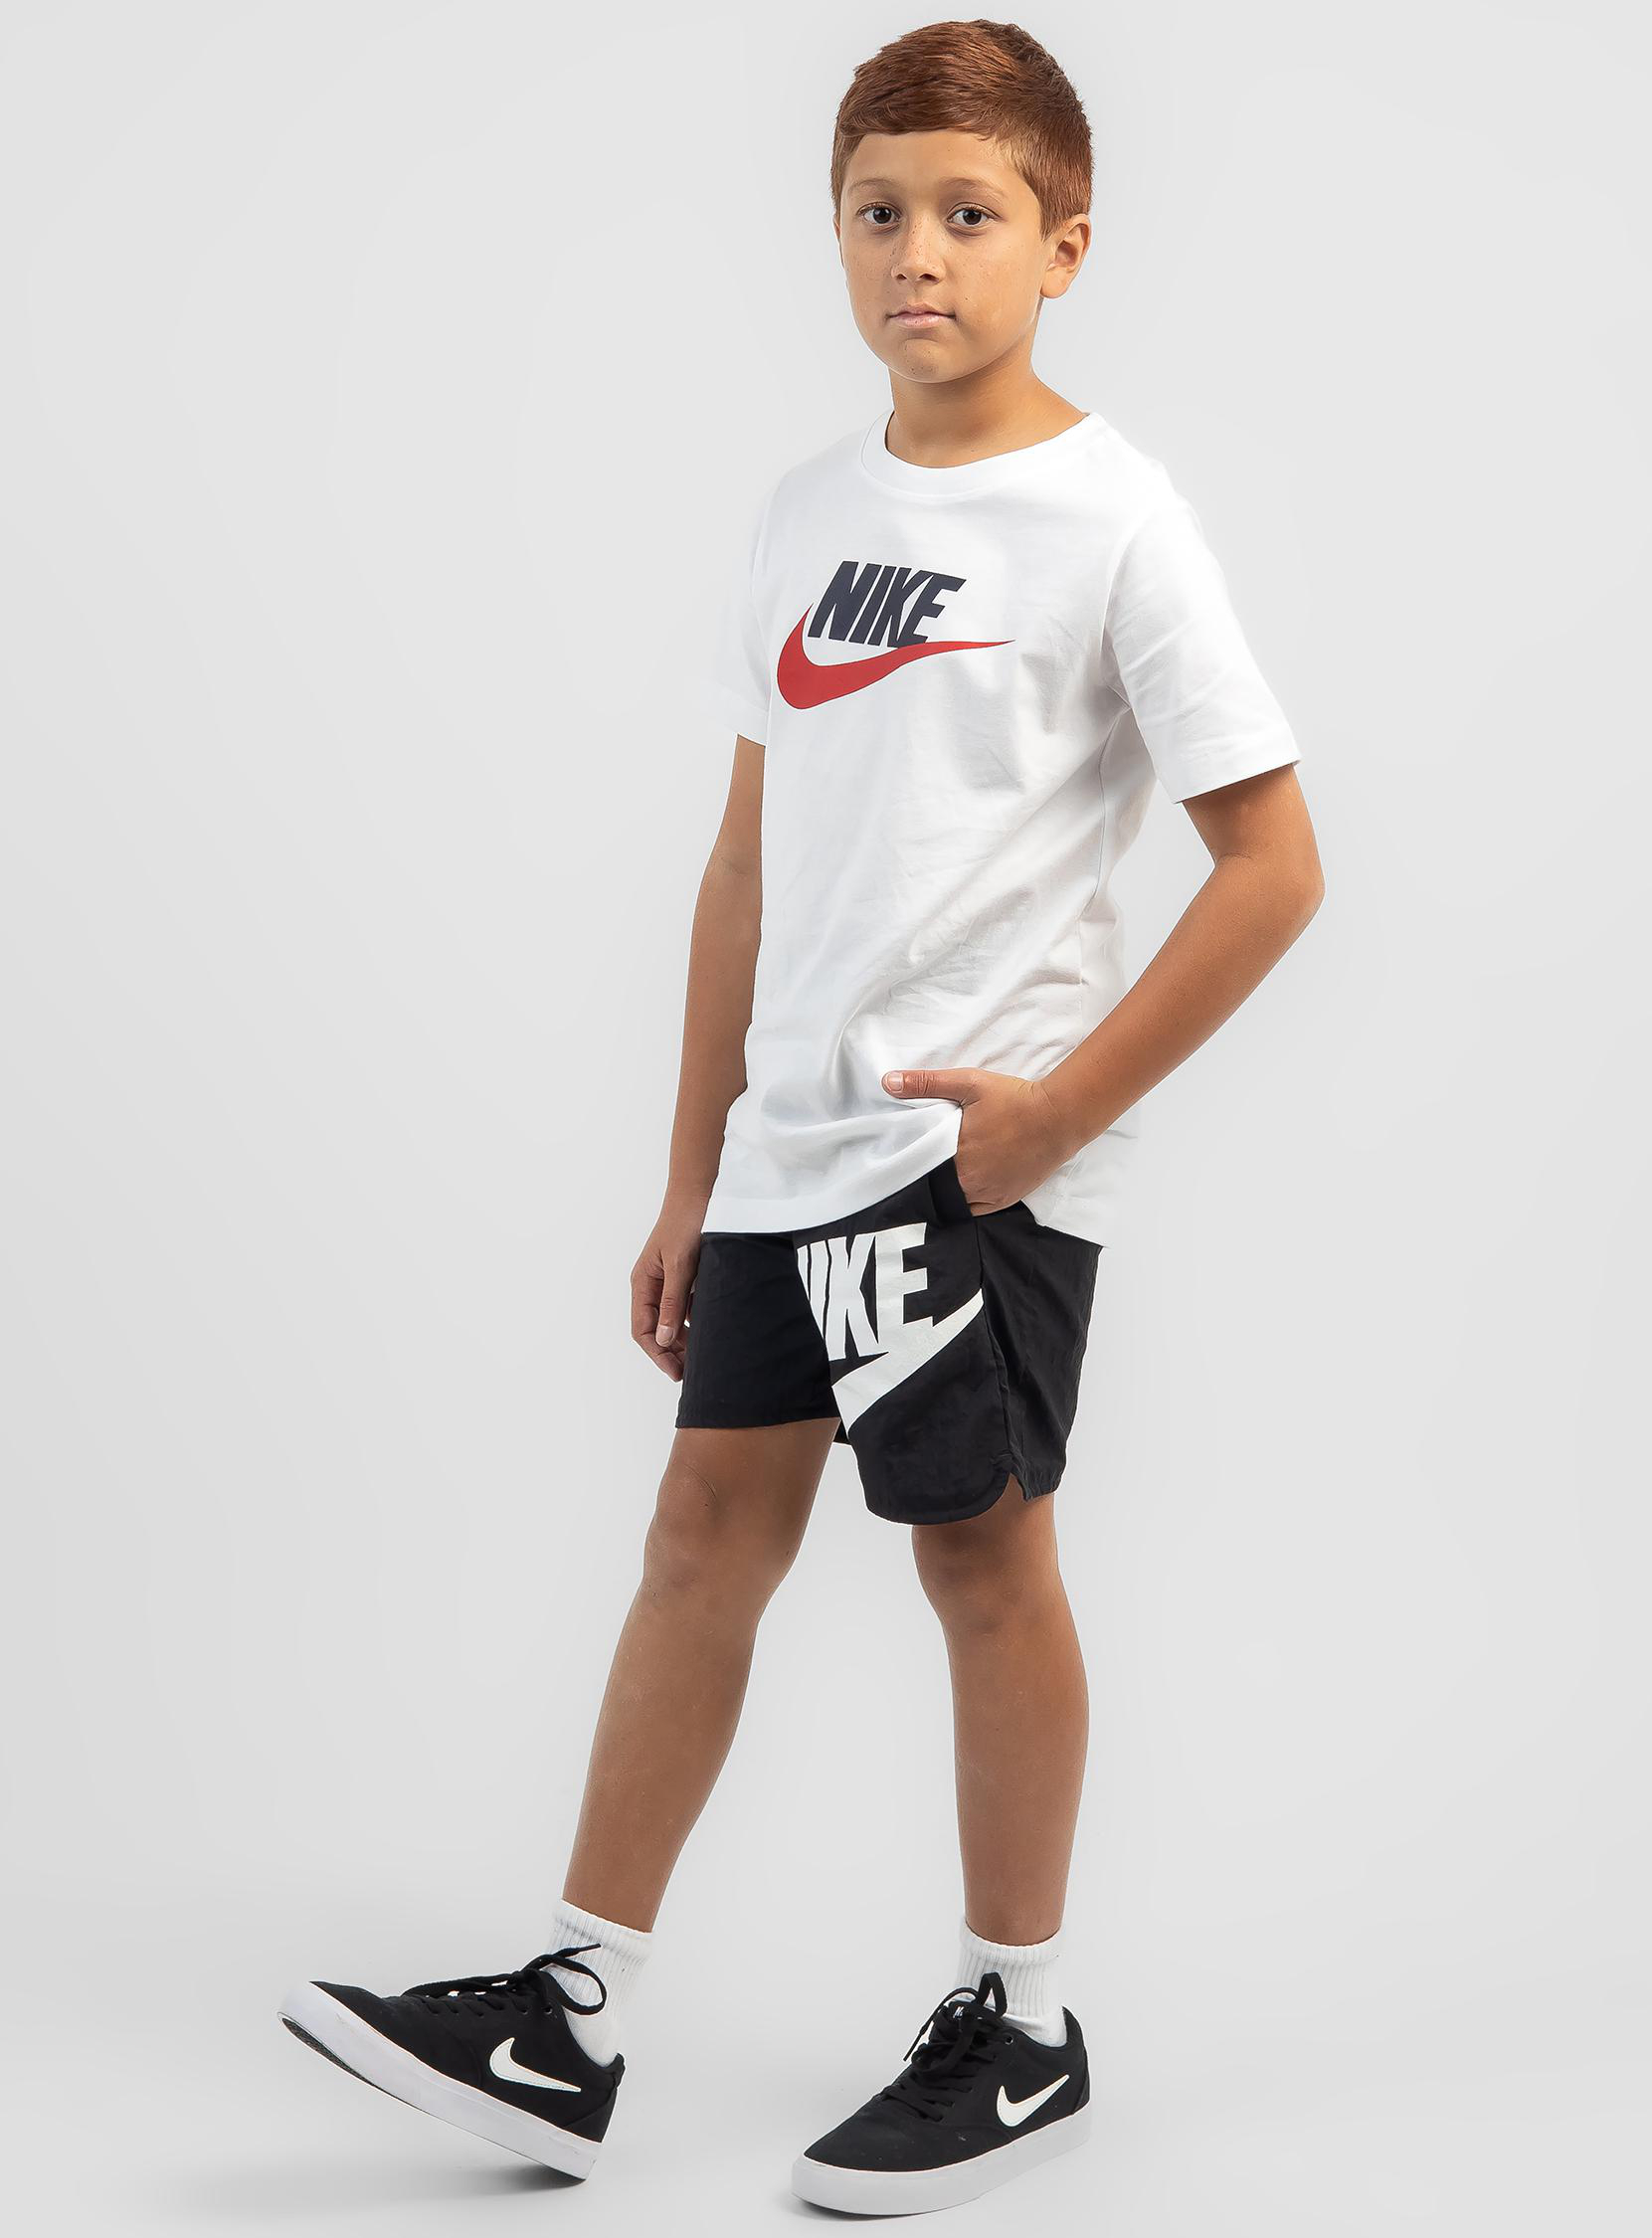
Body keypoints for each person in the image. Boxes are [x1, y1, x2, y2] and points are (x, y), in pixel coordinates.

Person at [277, 18, 1324, 2214]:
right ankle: (570, 2014)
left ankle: (1020, 2025)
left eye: (968, 214)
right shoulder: (803, 514)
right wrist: (693, 1171)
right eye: (877, 211)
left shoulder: (1116, 521)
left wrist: (1051, 1118)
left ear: (1065, 245)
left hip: (966, 1160)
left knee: (979, 1558)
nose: (917, 253)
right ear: (833, 236)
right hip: (786, 1159)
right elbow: (747, 866)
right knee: (699, 1542)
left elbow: (1275, 867)